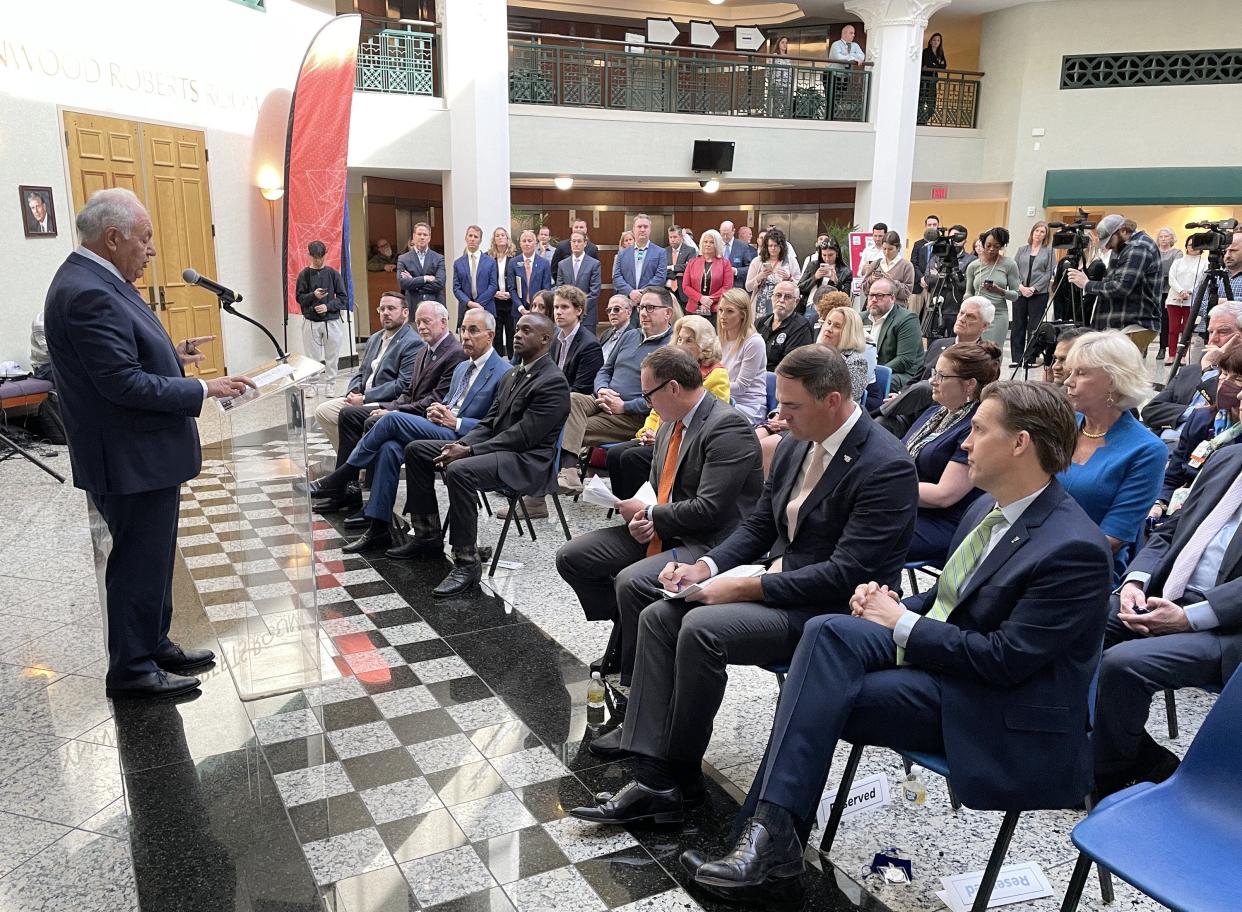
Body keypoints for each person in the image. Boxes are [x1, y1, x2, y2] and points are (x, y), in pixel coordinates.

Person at [682, 382, 1110, 901]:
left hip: (996, 704)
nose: (966, 444)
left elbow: (1007, 661)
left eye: (977, 430)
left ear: (1020, 443)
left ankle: (768, 843)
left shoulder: (1073, 548)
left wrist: (900, 624)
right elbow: (950, 599)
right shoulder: (988, 510)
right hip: (951, 663)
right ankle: (772, 845)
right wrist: (894, 608)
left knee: (815, 693)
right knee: (827, 630)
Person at [570, 346, 919, 823]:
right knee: (659, 613)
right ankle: (658, 774)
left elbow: (847, 574)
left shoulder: (885, 465)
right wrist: (707, 568)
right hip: (780, 577)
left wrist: (740, 589)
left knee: (701, 628)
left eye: (791, 406)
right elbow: (758, 526)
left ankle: (678, 778)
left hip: (833, 608)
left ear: (833, 401)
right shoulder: (799, 441)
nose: (780, 415)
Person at [44, 187, 256, 698]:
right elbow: (121, 383)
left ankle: (153, 641)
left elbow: (124, 359)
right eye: (145, 239)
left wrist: (171, 356)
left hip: (140, 453)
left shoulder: (97, 280)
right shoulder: (88, 291)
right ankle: (133, 668)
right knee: (138, 560)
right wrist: (203, 388)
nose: (152, 250)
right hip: (128, 456)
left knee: (155, 556)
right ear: (113, 238)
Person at [556, 346, 762, 695]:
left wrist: (651, 514)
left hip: (710, 543)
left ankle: (640, 687)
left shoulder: (728, 427)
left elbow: (710, 509)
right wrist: (642, 511)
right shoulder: (670, 425)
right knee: (573, 557)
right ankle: (633, 626)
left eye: (648, 394)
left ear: (673, 388)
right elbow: (658, 487)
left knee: (631, 582)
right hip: (666, 527)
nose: (646, 403)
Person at [1093, 444, 1242, 800]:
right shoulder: (1228, 457)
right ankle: (1141, 760)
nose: (1237, 395)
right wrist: (1135, 581)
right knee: (1075, 619)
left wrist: (1188, 618)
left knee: (1124, 665)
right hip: (1168, 594)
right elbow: (1169, 530)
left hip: (1228, 626)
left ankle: (1105, 780)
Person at [316, 309, 512, 555]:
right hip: (440, 427)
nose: (465, 336)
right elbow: (449, 402)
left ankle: (344, 474)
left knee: (391, 420)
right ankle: (382, 529)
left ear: (490, 335)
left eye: (473, 331)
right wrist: (437, 410)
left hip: (465, 438)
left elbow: (496, 426)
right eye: (463, 329)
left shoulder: (503, 372)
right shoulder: (463, 367)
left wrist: (456, 422)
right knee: (388, 448)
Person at [400, 314, 570, 596]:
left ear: (545, 340)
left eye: (526, 331)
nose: (517, 334)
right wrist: (461, 444)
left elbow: (524, 435)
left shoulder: (553, 381)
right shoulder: (513, 374)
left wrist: (468, 450)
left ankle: (467, 563)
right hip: (503, 451)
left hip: (528, 461)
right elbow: (490, 423)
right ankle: (426, 534)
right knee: (417, 450)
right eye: (516, 329)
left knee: (460, 470)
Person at [313, 302, 466, 513]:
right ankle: (366, 508)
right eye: (418, 321)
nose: (420, 326)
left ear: (443, 322)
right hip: (411, 411)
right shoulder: (425, 350)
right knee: (357, 421)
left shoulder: (454, 353)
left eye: (426, 322)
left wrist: (393, 411)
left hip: (429, 418)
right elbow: (408, 391)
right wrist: (390, 407)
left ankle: (344, 478)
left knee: (376, 420)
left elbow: (434, 399)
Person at [1061, 331, 1167, 580]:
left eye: (1081, 373)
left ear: (1113, 380)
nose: (1068, 381)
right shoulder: (1064, 423)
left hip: (1084, 573)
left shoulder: (1147, 450)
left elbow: (1112, 538)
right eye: (1070, 371)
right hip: (1026, 552)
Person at [557, 287, 676, 494]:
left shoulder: (671, 346)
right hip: (603, 400)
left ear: (668, 312)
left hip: (632, 416)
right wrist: (602, 389)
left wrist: (624, 406)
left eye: (650, 308)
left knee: (565, 426)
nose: (644, 313)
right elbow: (605, 369)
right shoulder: (630, 336)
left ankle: (561, 476)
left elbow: (662, 395)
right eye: (641, 307)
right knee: (571, 399)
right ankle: (567, 473)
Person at [606, 315, 733, 499]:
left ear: (704, 345)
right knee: (615, 454)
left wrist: (659, 437)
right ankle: (628, 510)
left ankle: (646, 511)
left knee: (631, 458)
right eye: (680, 338)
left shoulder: (716, 374)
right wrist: (648, 430)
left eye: (689, 340)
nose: (681, 344)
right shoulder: (674, 369)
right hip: (659, 433)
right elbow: (655, 408)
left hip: (685, 439)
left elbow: (707, 415)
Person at [903, 342, 1001, 566]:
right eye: (934, 373)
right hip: (911, 507)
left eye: (941, 376)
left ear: (969, 385)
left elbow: (943, 495)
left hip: (944, 522)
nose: (932, 381)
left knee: (859, 534)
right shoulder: (936, 413)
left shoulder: (974, 426)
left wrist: (884, 487)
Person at [314, 292, 420, 453]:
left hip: (385, 402)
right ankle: (351, 460)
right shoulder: (375, 338)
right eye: (382, 309)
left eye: (391, 308)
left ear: (405, 312)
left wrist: (364, 399)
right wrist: (353, 391)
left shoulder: (412, 342)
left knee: (347, 414)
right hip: (361, 397)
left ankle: (354, 462)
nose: (386, 313)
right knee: (323, 411)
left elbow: (402, 384)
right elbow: (361, 372)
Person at [877, 296, 995, 436]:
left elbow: (978, 398)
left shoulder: (983, 358)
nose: (962, 319)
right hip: (911, 411)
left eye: (970, 317)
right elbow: (917, 376)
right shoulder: (939, 344)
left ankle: (873, 413)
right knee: (880, 424)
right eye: (961, 313)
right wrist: (901, 395)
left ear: (985, 326)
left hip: (943, 416)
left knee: (926, 387)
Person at [1150, 346, 1242, 521]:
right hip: (1180, 508)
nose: (1224, 382)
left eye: (1237, 379)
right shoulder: (1202, 419)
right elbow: (1172, 478)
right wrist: (1159, 503)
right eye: (1223, 373)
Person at [1141, 301, 1242, 439]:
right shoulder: (1190, 371)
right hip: (1164, 443)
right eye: (1211, 332)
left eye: (1223, 331)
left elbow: (1222, 406)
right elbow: (1150, 411)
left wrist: (1208, 369)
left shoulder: (1236, 377)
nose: (1212, 340)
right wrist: (1194, 412)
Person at [1067, 215, 1163, 354]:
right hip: (1122, 326)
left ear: (1123, 231)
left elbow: (1121, 287)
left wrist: (1087, 284)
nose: (1107, 246)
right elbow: (1112, 282)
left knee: (1120, 374)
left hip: (1132, 325)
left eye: (1109, 240)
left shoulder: (1138, 247)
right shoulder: (1125, 248)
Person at [295, 240, 347, 391]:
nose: (318, 261)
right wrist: (313, 296)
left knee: (332, 355)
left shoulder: (333, 274)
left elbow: (343, 298)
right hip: (311, 321)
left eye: (321, 257)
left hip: (332, 321)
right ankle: (313, 385)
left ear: (326, 255)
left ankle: (330, 384)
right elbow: (299, 298)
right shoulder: (304, 275)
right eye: (315, 257)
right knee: (312, 356)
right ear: (309, 256)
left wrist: (328, 306)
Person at [718, 288, 769, 424]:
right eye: (720, 310)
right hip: (722, 400)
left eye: (729, 311)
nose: (722, 316)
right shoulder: (719, 338)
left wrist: (708, 386)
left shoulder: (754, 342)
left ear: (743, 314)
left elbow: (741, 387)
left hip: (748, 406)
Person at [964, 227, 1020, 346]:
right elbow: (968, 292)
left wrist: (999, 290)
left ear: (1002, 246)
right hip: (976, 315)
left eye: (996, 246)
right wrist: (967, 304)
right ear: (982, 244)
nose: (991, 249)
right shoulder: (973, 266)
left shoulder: (1009, 264)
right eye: (988, 245)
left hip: (998, 315)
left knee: (993, 352)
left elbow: (1015, 295)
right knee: (973, 352)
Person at [866, 277, 923, 392]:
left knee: (878, 382)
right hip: (868, 371)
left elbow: (904, 360)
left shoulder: (907, 319)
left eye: (879, 296)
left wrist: (873, 372)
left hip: (901, 374)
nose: (873, 299)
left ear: (892, 298)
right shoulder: (861, 318)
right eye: (871, 295)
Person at [1013, 222, 1056, 367]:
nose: (1038, 234)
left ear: (1046, 235)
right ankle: (1017, 358)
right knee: (1018, 324)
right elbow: (1014, 270)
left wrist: (1033, 288)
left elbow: (1049, 273)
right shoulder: (1022, 250)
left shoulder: (1049, 251)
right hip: (1020, 292)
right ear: (1032, 232)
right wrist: (1021, 286)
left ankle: (1030, 358)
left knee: (1034, 326)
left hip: (1038, 293)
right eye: (1036, 231)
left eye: (1042, 232)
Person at [551, 285, 604, 396]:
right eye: (556, 307)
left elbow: (582, 389)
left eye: (564, 307)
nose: (558, 312)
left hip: (574, 401)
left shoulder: (590, 345)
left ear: (578, 310)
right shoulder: (555, 338)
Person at [508, 229, 552, 353]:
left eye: (530, 241)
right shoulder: (513, 262)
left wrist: (536, 308)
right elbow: (511, 288)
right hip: (519, 311)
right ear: (520, 244)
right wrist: (521, 308)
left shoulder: (543, 263)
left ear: (535, 243)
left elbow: (546, 288)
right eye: (524, 241)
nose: (527, 243)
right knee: (519, 343)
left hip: (538, 311)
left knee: (536, 342)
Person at [816, 305, 871, 404]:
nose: (828, 328)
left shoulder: (856, 362)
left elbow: (845, 402)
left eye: (837, 326)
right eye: (828, 323)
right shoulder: (815, 353)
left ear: (849, 333)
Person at [757, 281, 814, 371]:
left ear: (797, 301)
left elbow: (790, 366)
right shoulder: (760, 322)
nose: (781, 300)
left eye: (788, 297)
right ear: (772, 297)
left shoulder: (801, 327)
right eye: (778, 295)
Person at [1165, 236, 1205, 366]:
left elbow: (1202, 280)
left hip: (1192, 299)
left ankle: (1182, 356)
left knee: (1186, 329)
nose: (1192, 247)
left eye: (1196, 245)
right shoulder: (1178, 262)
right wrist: (1181, 291)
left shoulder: (1204, 263)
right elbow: (1172, 278)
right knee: (1173, 328)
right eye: (1190, 244)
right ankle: (1171, 355)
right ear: (1186, 246)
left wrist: (1189, 292)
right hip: (1174, 298)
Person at [614, 214, 669, 306]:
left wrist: (642, 293)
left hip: (650, 303)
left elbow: (660, 277)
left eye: (645, 227)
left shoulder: (660, 252)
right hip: (627, 303)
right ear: (633, 230)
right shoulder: (622, 254)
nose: (642, 229)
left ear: (650, 229)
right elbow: (617, 277)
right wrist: (631, 292)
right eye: (639, 227)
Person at [746, 227, 798, 321]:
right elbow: (748, 287)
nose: (773, 248)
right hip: (761, 304)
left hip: (782, 304)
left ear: (782, 246)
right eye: (770, 246)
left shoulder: (790, 261)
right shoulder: (758, 261)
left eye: (776, 245)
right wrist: (759, 277)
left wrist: (789, 278)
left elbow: (799, 284)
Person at [450, 225, 498, 327]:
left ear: (480, 241)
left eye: (476, 237)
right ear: (466, 238)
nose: (472, 239)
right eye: (470, 236)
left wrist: (478, 304)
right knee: (466, 340)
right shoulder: (458, 263)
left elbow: (493, 286)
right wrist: (469, 303)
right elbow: (456, 288)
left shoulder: (490, 262)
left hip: (486, 308)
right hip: (466, 309)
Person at [683, 228, 731, 324]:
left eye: (711, 242)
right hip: (693, 309)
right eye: (705, 242)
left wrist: (710, 300)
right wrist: (701, 298)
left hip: (716, 310)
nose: (708, 244)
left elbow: (727, 287)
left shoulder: (725, 263)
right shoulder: (692, 262)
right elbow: (686, 286)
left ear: (717, 244)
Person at [555, 230, 602, 328]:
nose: (576, 244)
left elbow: (594, 292)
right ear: (570, 243)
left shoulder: (594, 264)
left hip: (587, 315)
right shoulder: (562, 264)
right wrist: (569, 308)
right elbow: (559, 289)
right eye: (573, 241)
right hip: (566, 316)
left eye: (579, 241)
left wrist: (578, 308)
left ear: (585, 243)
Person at [798, 238, 852, 315]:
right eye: (824, 255)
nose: (827, 258)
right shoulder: (813, 265)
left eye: (830, 255)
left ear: (837, 253)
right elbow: (800, 288)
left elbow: (846, 297)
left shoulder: (845, 271)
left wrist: (836, 281)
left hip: (832, 308)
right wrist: (815, 277)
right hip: (811, 305)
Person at [397, 221, 446, 307]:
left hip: (435, 305)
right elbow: (402, 283)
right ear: (414, 236)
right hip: (413, 306)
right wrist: (425, 278)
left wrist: (413, 282)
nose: (422, 237)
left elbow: (440, 283)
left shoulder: (439, 258)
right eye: (419, 234)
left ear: (429, 238)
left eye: (425, 234)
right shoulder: (403, 259)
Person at [860, 231, 914, 305]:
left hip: (896, 310)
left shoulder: (906, 266)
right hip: (875, 307)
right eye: (884, 249)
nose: (886, 252)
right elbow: (864, 288)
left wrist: (893, 282)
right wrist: (871, 280)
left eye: (890, 249)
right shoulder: (876, 263)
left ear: (898, 248)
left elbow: (907, 292)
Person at [487, 227, 516, 355]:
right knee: (496, 333)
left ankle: (512, 360)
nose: (500, 237)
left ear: (507, 238)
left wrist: (511, 293)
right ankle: (497, 360)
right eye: (497, 235)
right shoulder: (488, 257)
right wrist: (494, 293)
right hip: (494, 300)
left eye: (503, 235)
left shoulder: (515, 256)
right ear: (494, 239)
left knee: (511, 332)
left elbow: (518, 278)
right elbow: (485, 279)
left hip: (510, 300)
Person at [1154, 227, 1181, 362]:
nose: (1163, 239)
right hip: (1153, 290)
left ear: (1172, 238)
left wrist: (1160, 273)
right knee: (1150, 319)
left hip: (1168, 291)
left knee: (1165, 321)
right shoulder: (1154, 252)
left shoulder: (1177, 253)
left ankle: (1162, 348)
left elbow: (1174, 271)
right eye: (1161, 237)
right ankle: (1145, 348)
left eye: (1166, 236)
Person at [909, 215, 941, 315]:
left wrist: (930, 279)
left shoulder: (942, 245)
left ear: (938, 226)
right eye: (929, 225)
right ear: (925, 226)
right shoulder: (918, 244)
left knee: (929, 316)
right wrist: (922, 278)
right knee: (912, 314)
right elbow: (914, 263)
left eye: (934, 225)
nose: (932, 227)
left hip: (933, 286)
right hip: (918, 285)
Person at [917, 32, 946, 124]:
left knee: (932, 105)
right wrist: (937, 64)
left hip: (933, 81)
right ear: (930, 41)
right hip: (924, 80)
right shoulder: (926, 52)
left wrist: (934, 65)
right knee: (921, 102)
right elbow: (927, 65)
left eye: (938, 40)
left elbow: (944, 66)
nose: (936, 42)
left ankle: (923, 121)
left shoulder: (940, 53)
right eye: (934, 40)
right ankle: (919, 121)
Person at [720, 220, 755, 289]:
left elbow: (749, 268)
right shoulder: (716, 245)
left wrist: (736, 271)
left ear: (733, 231)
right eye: (723, 234)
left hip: (735, 286)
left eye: (727, 234)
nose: (725, 237)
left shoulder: (742, 246)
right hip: (718, 287)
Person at [665, 225, 694, 304]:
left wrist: (671, 267)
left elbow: (689, 267)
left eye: (675, 237)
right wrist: (678, 273)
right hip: (667, 290)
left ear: (681, 237)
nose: (672, 240)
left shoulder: (690, 250)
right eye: (670, 237)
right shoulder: (664, 251)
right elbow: (662, 269)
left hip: (683, 290)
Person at [599, 295, 633, 363]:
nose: (612, 313)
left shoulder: (634, 335)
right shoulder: (605, 333)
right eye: (609, 310)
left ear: (628, 312)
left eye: (616, 309)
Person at [766, 35, 793, 117]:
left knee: (787, 105)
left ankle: (786, 121)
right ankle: (775, 119)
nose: (785, 44)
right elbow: (768, 71)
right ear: (778, 44)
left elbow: (791, 71)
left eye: (786, 43)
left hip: (786, 84)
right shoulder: (774, 56)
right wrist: (772, 81)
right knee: (777, 104)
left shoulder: (788, 58)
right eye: (782, 42)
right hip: (776, 84)